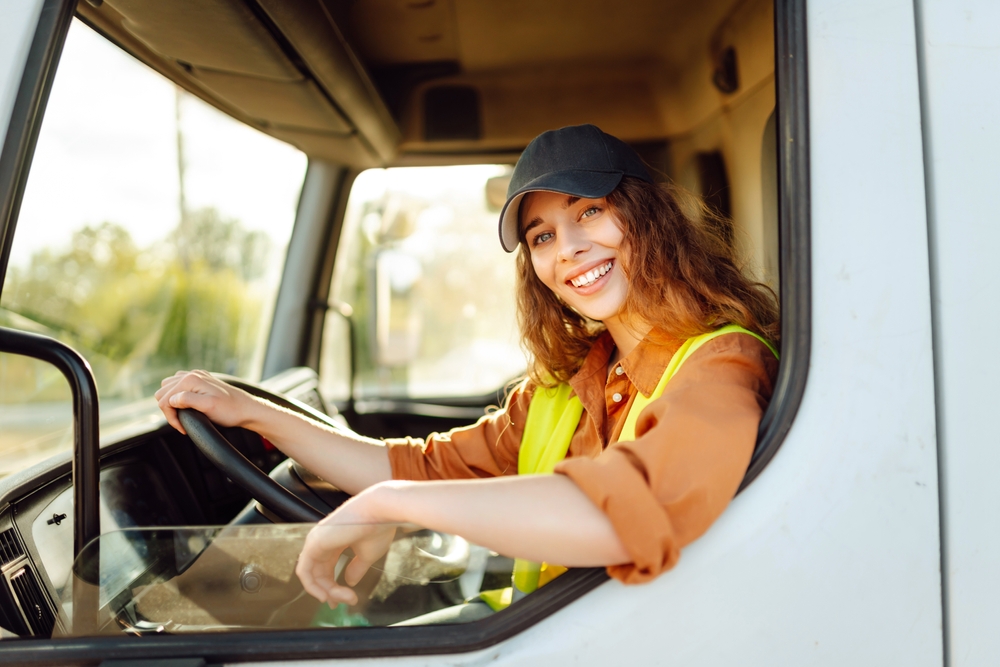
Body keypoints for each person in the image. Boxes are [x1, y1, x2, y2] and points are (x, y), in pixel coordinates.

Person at [155, 124, 780, 618]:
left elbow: (623, 512)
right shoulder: (567, 385)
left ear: (649, 218)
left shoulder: (722, 364)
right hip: (548, 628)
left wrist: (394, 505)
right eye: (541, 236)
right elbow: (414, 468)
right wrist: (255, 413)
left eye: (589, 211)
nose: (568, 249)